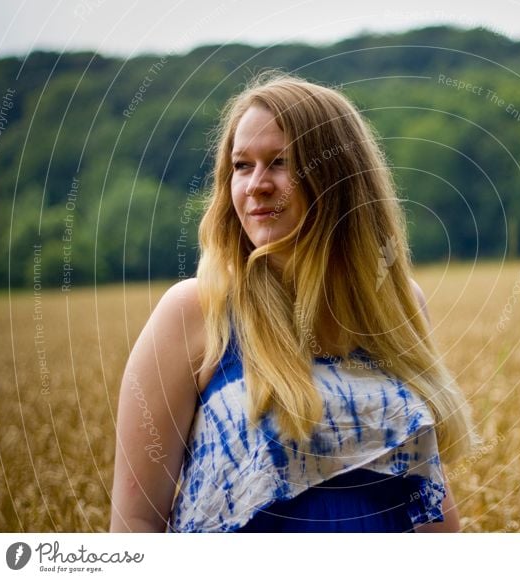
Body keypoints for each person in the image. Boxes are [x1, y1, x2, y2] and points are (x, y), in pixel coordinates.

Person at [109, 71, 478, 533]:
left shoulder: (396, 304)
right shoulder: (194, 311)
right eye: (242, 165)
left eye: (280, 162)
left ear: (338, 178)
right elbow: (136, 521)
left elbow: (430, 501)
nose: (256, 185)